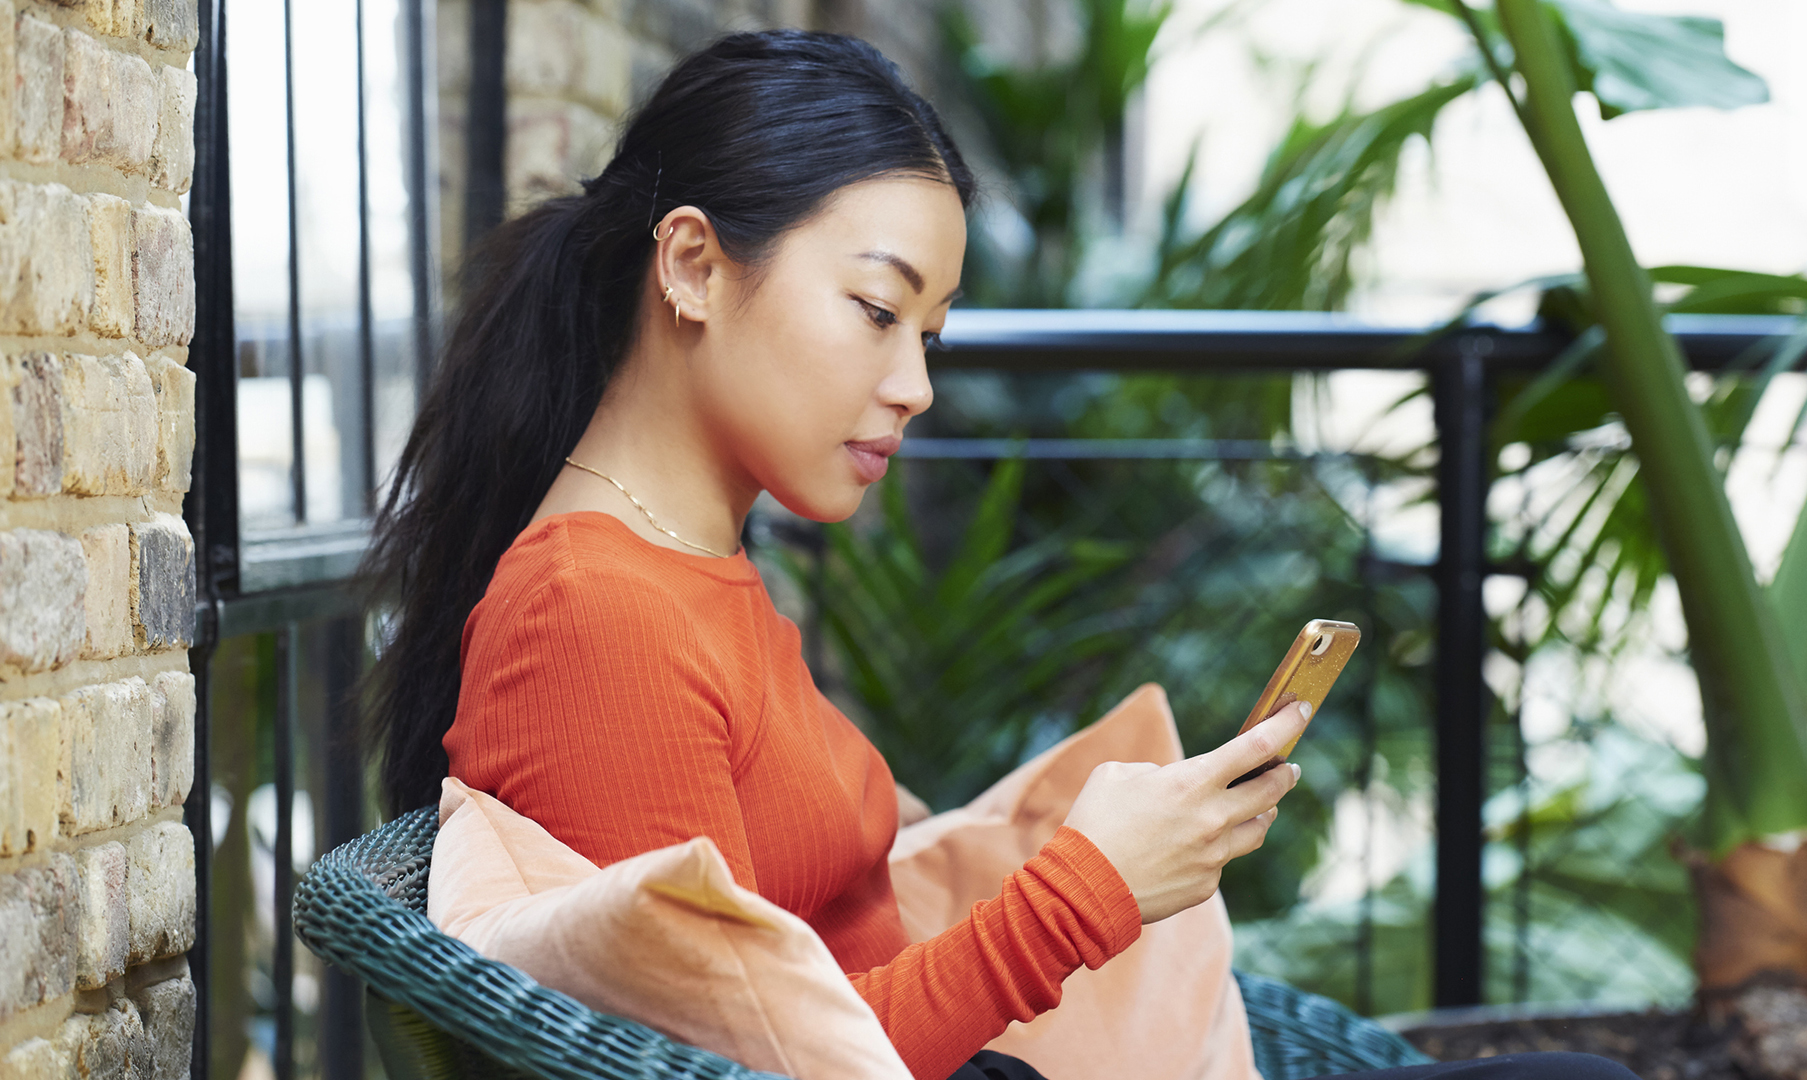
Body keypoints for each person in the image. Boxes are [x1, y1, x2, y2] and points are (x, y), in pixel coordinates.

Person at [362, 30, 1637, 1080]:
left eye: (932, 331)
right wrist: (1090, 890)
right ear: (693, 265)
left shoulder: (692, 570)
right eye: (876, 311)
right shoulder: (592, 614)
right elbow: (760, 1069)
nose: (913, 384)